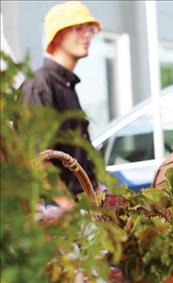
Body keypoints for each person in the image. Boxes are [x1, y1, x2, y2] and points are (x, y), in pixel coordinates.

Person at [21, 1, 102, 196]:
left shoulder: (67, 86)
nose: (88, 35)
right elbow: (36, 156)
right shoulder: (40, 85)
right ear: (57, 36)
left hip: (82, 204)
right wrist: (66, 207)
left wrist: (98, 191)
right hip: (57, 213)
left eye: (90, 29)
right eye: (78, 28)